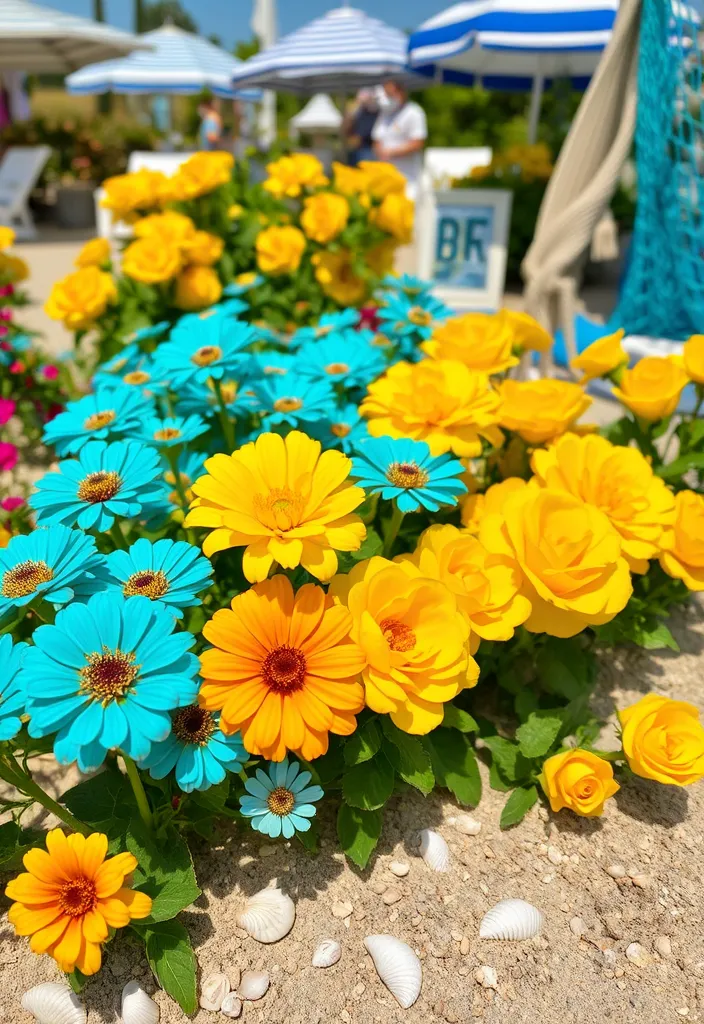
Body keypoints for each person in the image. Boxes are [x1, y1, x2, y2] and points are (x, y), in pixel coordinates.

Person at [372, 80, 428, 198]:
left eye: (390, 94)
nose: (388, 98)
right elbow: (376, 139)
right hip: (386, 180)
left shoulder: (414, 112)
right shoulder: (384, 114)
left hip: (409, 180)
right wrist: (380, 152)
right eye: (387, 94)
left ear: (401, 92)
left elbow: (417, 143)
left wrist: (391, 152)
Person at [344, 88, 379, 165]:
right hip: (356, 149)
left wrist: (358, 137)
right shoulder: (358, 111)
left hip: (367, 149)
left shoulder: (374, 112)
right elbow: (346, 129)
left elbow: (371, 131)